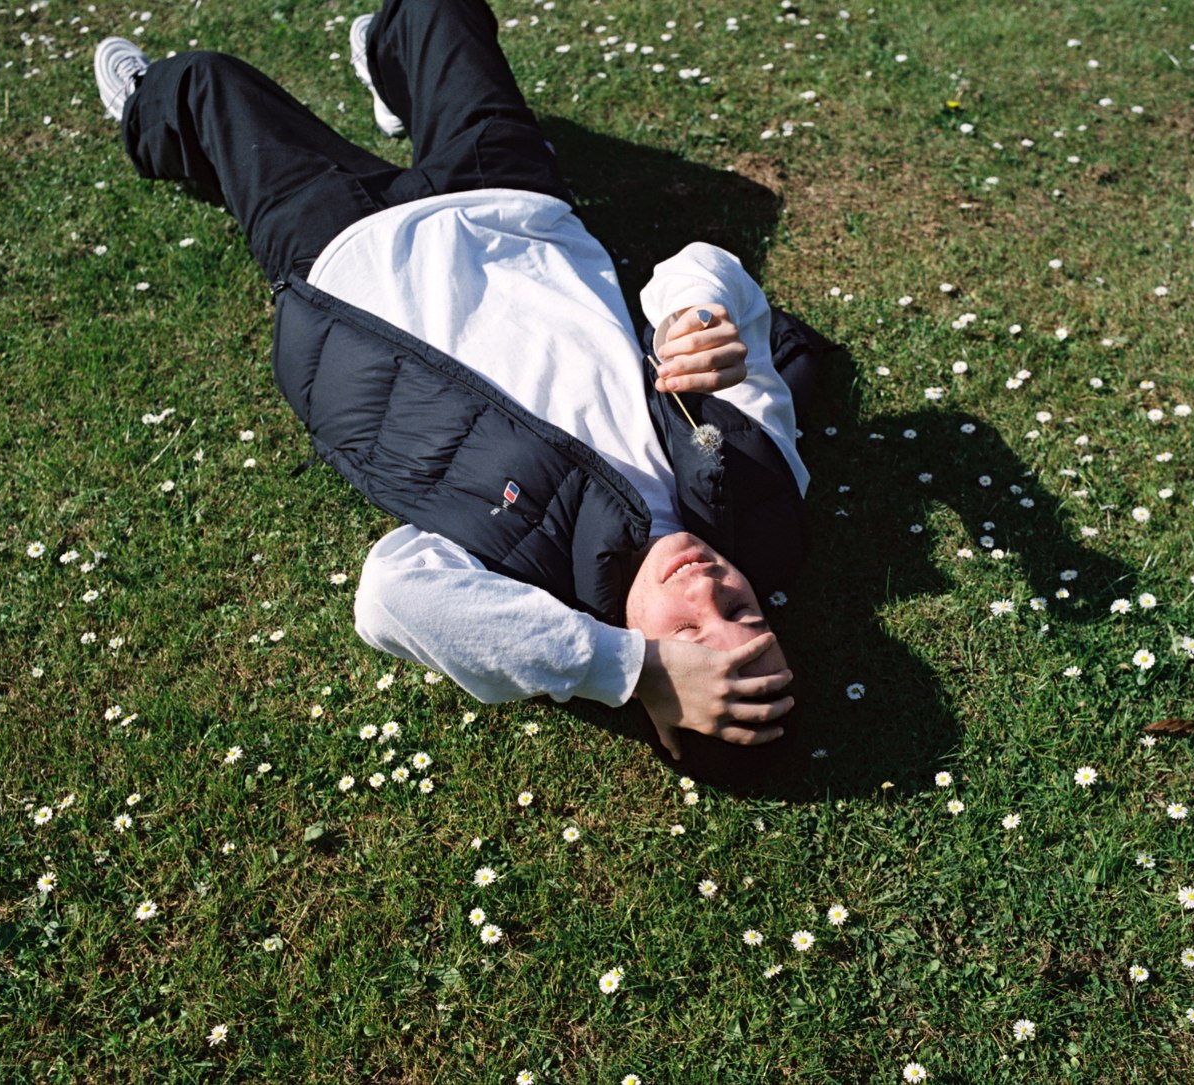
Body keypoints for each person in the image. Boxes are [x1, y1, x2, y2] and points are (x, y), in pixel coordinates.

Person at [94, 0, 831, 762]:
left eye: (685, 632)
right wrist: (698, 312)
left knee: (208, 84)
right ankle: (388, 62)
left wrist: (625, 668)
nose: (708, 587)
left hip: (345, 253)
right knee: (436, 8)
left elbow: (388, 596)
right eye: (741, 608)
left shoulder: (537, 593)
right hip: (513, 204)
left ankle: (149, 106)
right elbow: (709, 270)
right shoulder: (756, 469)